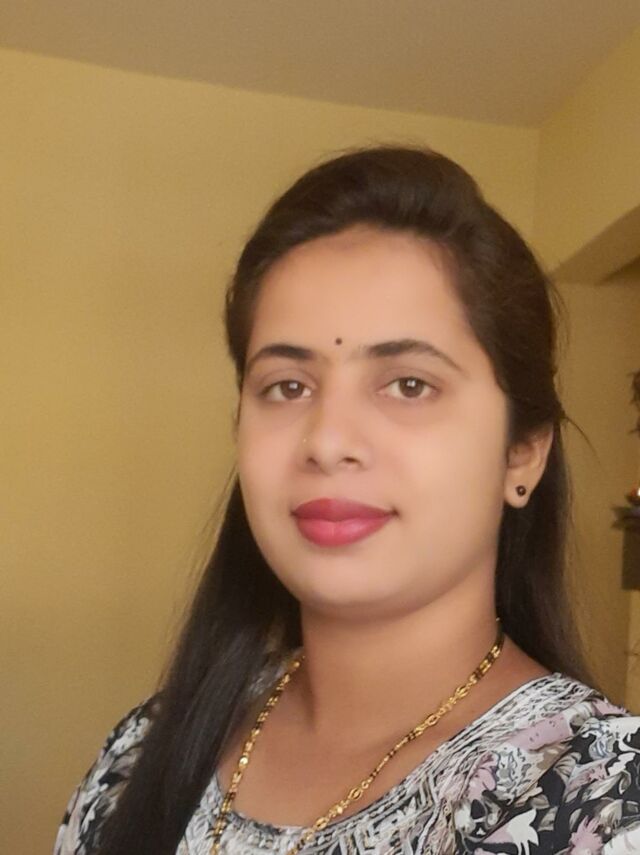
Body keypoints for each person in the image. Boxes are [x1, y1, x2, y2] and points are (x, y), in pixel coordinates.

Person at [54, 146, 640, 855]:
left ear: (523, 452)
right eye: (287, 386)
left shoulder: (600, 802)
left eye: (409, 385)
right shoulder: (141, 754)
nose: (328, 441)